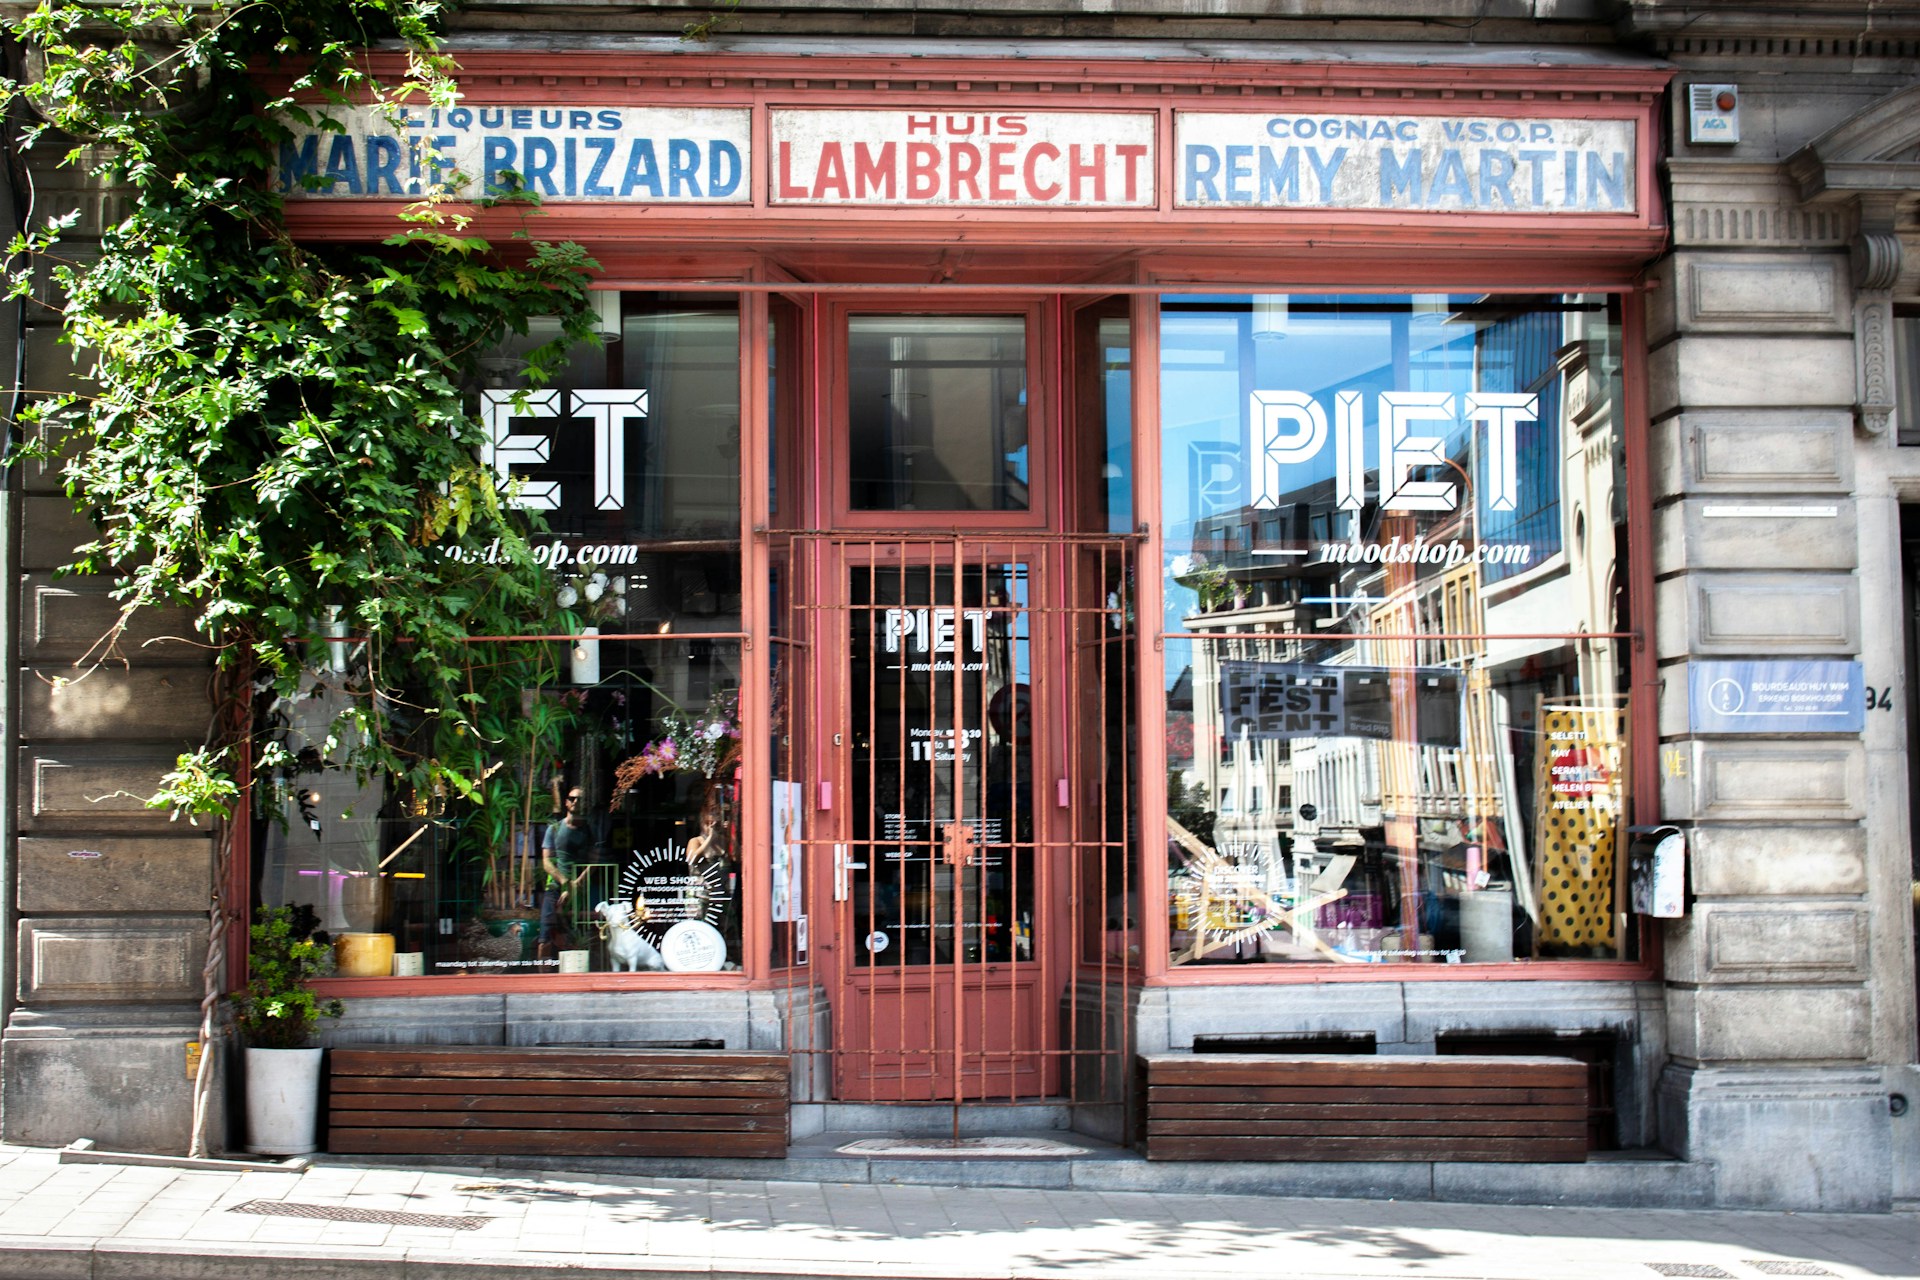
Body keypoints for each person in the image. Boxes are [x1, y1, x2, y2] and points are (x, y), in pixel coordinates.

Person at [538, 785, 595, 960]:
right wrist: (565, 882)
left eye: (580, 799)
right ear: (566, 802)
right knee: (545, 937)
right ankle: (541, 974)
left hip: (579, 891)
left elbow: (595, 861)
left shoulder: (589, 830)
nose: (575, 801)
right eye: (572, 798)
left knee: (575, 938)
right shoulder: (554, 828)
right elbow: (546, 862)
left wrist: (576, 884)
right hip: (555, 887)